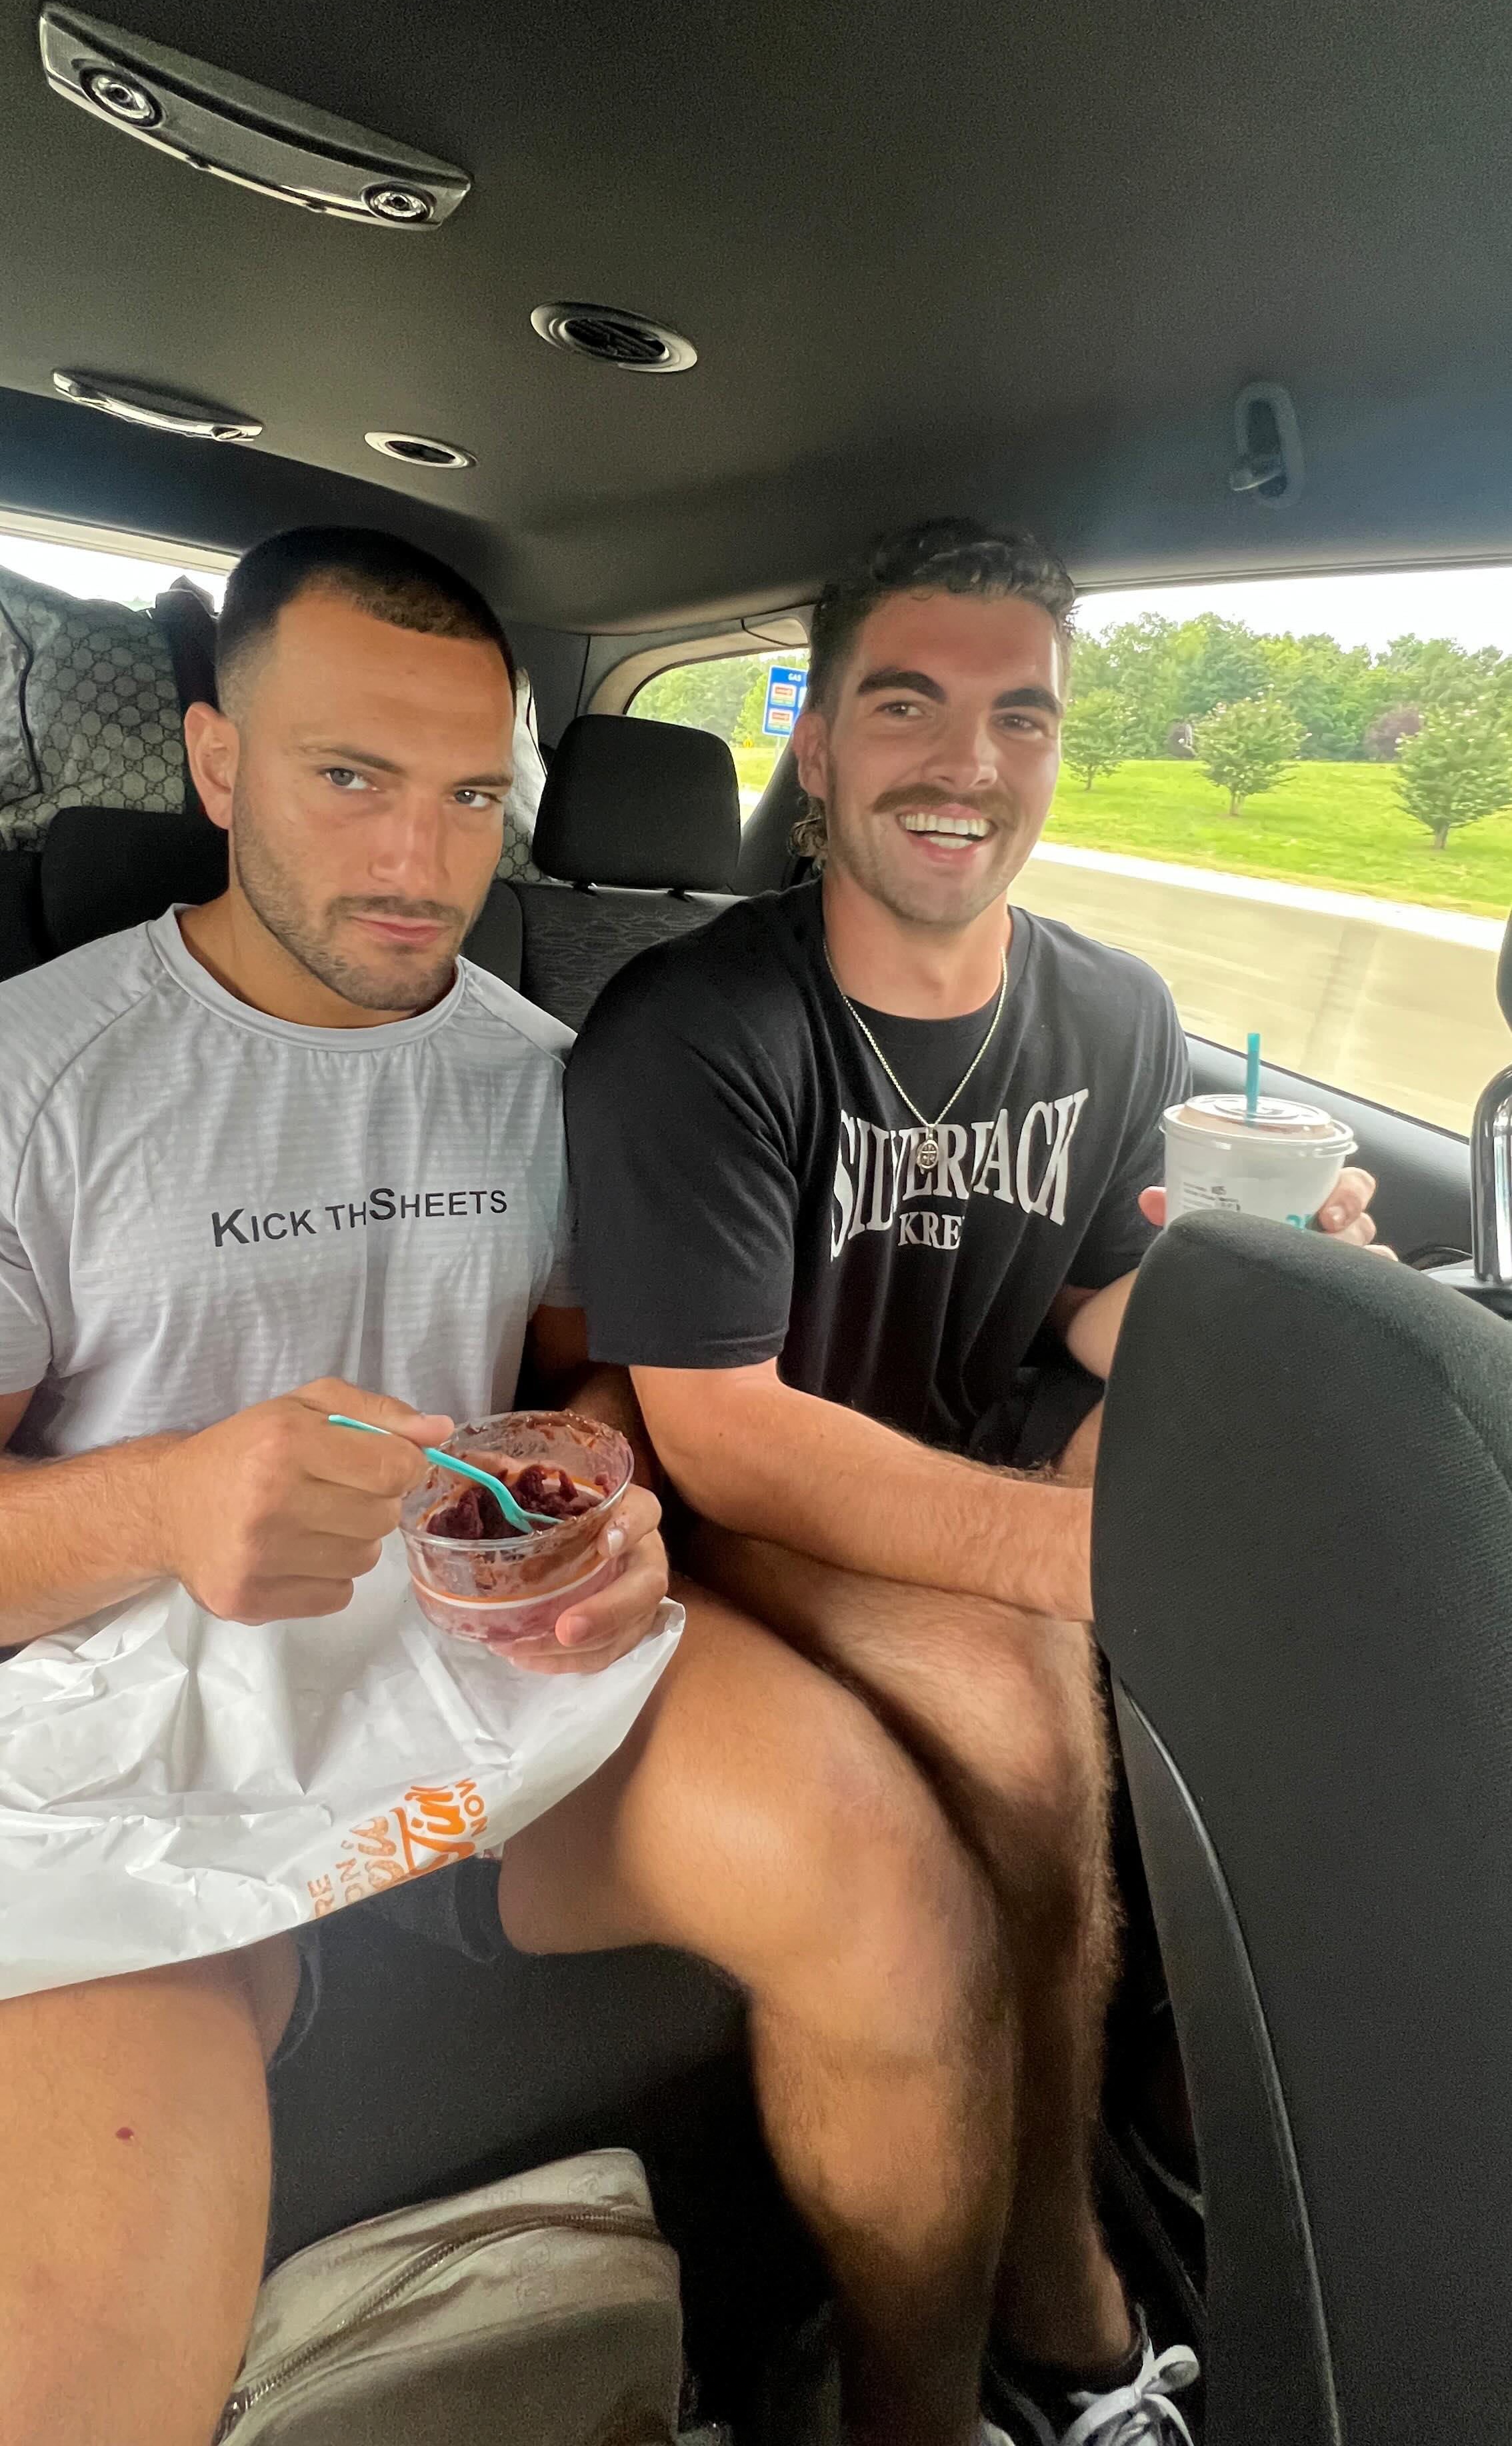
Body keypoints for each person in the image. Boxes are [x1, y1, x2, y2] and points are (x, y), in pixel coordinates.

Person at [0, 527, 1037, 2446]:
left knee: (900, 1895)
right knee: (80, 2348)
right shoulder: (36, 1079)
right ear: (217, 764)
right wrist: (156, 1507)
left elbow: (582, 1385)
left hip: (489, 1671)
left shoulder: (555, 1076)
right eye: (351, 779)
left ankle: (920, 2415)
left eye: (474, 797)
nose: (422, 861)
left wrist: (618, 1498)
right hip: (116, 1743)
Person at [565, 517, 1383, 2446]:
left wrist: (1264, 1287)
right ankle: (1043, 2296)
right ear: (817, 745)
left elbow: (1092, 1297)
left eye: (1022, 717)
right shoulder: (695, 1030)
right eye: (907, 705)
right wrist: (1081, 1557)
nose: (967, 763)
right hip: (748, 1507)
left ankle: (1164, 2161)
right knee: (1020, 1717)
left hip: (971, 1457)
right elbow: (721, 1426)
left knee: (1297, 1632)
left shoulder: (1115, 1012)